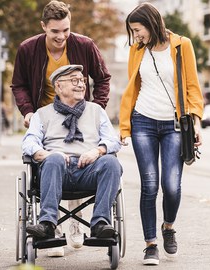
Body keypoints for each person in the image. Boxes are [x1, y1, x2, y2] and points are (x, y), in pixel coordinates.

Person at [11, 0, 112, 256]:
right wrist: (29, 112)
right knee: (56, 159)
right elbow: (19, 84)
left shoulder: (84, 46)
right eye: (55, 31)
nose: (61, 36)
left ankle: (77, 225)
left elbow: (102, 78)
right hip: (46, 116)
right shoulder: (28, 49)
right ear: (43, 26)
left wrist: (93, 110)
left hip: (80, 111)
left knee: (84, 156)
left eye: (66, 30)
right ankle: (51, 225)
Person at [119, 2, 204, 266]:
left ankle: (168, 226)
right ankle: (150, 245)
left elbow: (192, 86)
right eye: (133, 32)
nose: (136, 36)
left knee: (171, 185)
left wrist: (197, 121)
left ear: (151, 23)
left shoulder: (182, 46)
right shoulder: (137, 50)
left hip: (174, 125)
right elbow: (133, 87)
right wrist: (124, 127)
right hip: (143, 121)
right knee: (149, 185)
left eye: (138, 29)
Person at [23, 64, 122, 247]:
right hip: (56, 172)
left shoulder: (96, 110)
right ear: (59, 86)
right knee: (54, 159)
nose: (81, 85)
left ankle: (100, 224)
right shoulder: (42, 114)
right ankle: (47, 224)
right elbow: (29, 142)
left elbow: (113, 140)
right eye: (74, 80)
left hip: (89, 171)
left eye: (82, 80)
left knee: (111, 163)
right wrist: (46, 154)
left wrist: (97, 151)